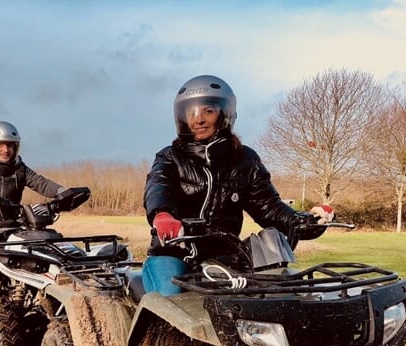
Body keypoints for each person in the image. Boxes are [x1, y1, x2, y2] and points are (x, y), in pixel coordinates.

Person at [143, 74, 334, 295]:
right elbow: (159, 188)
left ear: (225, 114)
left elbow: (269, 207)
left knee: (272, 291)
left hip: (225, 255)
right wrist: (163, 215)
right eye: (192, 112)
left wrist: (306, 221)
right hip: (172, 253)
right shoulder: (169, 157)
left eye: (208, 111)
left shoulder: (245, 160)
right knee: (172, 296)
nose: (199, 119)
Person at [0, 121, 68, 249]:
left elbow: (41, 183)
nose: (6, 150)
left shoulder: (20, 168)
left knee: (32, 248)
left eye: (10, 145)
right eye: (0, 145)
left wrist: (62, 191)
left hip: (13, 227)